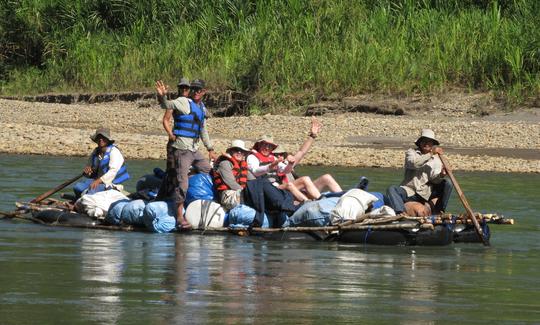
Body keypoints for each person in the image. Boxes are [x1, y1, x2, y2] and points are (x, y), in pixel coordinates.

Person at [155, 78, 218, 230]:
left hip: (194, 150)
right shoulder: (183, 102)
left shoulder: (202, 107)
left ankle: (206, 200)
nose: (196, 92)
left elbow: (202, 129)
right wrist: (162, 96)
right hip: (181, 149)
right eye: (194, 89)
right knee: (182, 183)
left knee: (210, 171)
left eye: (199, 90)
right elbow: (166, 105)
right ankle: (179, 217)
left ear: (204, 92)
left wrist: (210, 148)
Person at [386, 129, 453, 216]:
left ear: (432, 144)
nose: (426, 144)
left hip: (425, 193)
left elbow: (435, 180)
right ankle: (400, 213)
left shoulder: (436, 160)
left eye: (429, 142)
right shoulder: (411, 152)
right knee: (392, 189)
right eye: (424, 141)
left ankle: (439, 211)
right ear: (420, 142)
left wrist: (441, 175)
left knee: (448, 183)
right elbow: (414, 164)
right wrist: (430, 154)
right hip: (409, 190)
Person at [272, 117, 343, 197]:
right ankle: (319, 199)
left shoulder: (289, 163)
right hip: (290, 193)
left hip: (304, 190)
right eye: (276, 154)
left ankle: (344, 198)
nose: (279, 156)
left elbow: (302, 152)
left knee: (327, 177)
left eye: (282, 154)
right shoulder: (271, 165)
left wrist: (313, 135)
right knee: (304, 179)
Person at [156, 77, 191, 200]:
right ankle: (165, 195)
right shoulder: (175, 103)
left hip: (187, 143)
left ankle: (179, 193)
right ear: (179, 89)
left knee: (183, 169)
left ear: (189, 90)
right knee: (171, 169)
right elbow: (166, 119)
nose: (183, 90)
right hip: (175, 142)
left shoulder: (192, 104)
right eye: (181, 87)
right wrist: (170, 133)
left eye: (186, 88)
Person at [73, 128, 130, 197]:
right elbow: (90, 172)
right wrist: (87, 172)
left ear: (107, 139)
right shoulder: (95, 152)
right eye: (99, 138)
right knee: (77, 187)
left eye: (103, 137)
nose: (100, 140)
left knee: (90, 192)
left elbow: (113, 171)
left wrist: (98, 181)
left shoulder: (114, 151)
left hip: (110, 184)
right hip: (96, 181)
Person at [211, 139, 251, 209]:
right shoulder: (225, 163)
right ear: (231, 152)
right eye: (236, 150)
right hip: (227, 195)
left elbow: (253, 179)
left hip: (240, 192)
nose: (239, 152)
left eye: (241, 151)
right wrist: (246, 192)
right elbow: (231, 182)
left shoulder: (243, 165)